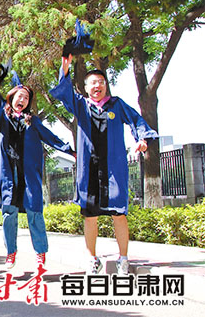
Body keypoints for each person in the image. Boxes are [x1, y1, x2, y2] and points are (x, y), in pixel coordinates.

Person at [50, 54, 158, 275]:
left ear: (106, 86)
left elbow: (136, 120)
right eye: (93, 83)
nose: (97, 86)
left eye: (101, 82)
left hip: (113, 169)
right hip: (89, 169)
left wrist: (142, 139)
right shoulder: (81, 105)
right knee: (90, 216)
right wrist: (65, 69)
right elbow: (65, 92)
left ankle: (123, 259)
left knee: (119, 214)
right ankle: (92, 259)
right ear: (86, 87)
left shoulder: (116, 105)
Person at [0, 73, 74, 269]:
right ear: (11, 97)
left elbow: (50, 137)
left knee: (35, 212)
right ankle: (11, 252)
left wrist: (69, 150)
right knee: (9, 213)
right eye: (20, 96)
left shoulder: (32, 121)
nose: (23, 100)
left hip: (28, 174)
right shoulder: (1, 117)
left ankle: (40, 252)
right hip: (9, 174)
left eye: (26, 98)